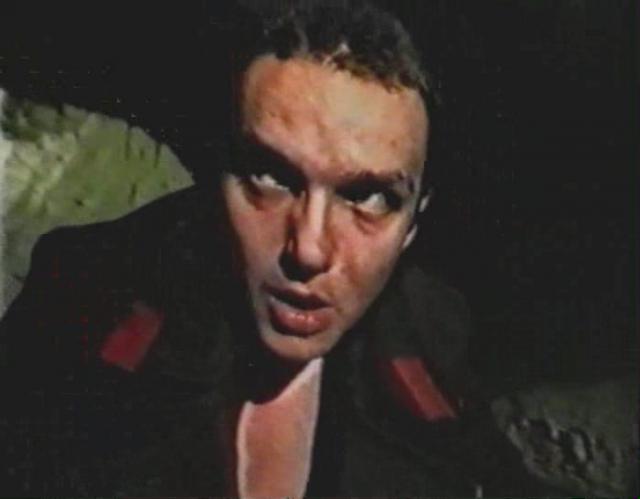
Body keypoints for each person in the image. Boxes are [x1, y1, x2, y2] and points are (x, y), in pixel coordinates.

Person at [0, 1, 550, 496]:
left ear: (412, 225)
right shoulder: (82, 305)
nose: (308, 249)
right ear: (216, 176)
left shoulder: (432, 341)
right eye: (270, 177)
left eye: (369, 198)